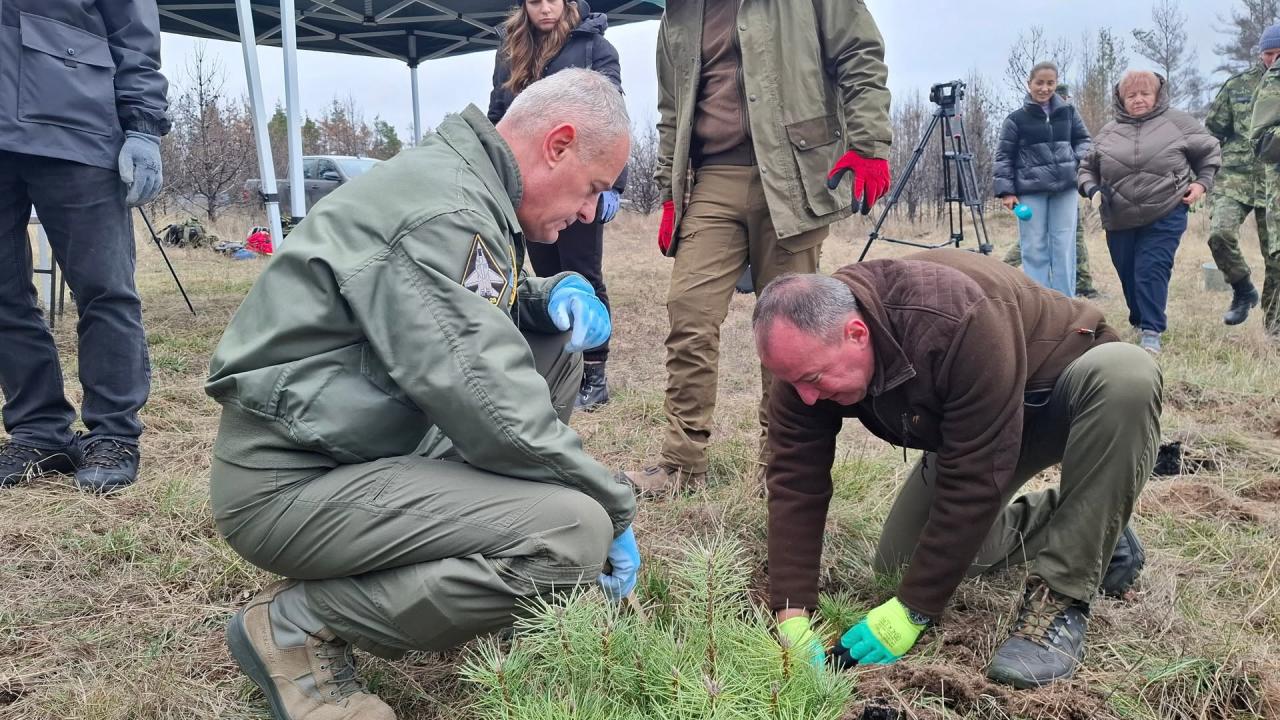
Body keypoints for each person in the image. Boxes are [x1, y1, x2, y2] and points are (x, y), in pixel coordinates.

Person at [206, 70, 639, 720]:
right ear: (558, 144)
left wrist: (548, 297)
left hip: (350, 446)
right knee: (574, 533)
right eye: (593, 190)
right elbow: (496, 411)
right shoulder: (449, 210)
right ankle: (298, 626)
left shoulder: (461, 183)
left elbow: (460, 306)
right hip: (287, 486)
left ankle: (481, 571)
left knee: (550, 345)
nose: (586, 213)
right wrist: (615, 509)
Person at [754, 249, 1160, 689]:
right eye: (794, 383)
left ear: (856, 333)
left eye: (813, 380)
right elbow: (795, 480)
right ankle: (1091, 519)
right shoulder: (805, 358)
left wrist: (914, 610)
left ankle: (1059, 601)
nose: (806, 397)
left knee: (1128, 374)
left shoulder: (952, 319)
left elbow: (972, 480)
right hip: (971, 426)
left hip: (1058, 397)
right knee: (902, 563)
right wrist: (792, 612)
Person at [625, 0, 893, 495]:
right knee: (689, 313)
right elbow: (671, 110)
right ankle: (682, 464)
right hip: (712, 178)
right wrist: (669, 192)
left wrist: (869, 145)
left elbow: (860, 54)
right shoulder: (677, 13)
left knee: (793, 323)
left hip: (792, 175)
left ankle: (782, 462)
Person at [0, 0, 169, 492]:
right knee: (3, 295)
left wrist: (142, 123)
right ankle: (38, 430)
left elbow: (133, 28)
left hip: (76, 122)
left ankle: (114, 433)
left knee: (104, 288)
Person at [488, 0, 626, 411]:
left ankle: (595, 373)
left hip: (577, 179)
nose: (544, 8)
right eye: (534, 1)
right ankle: (559, 366)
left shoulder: (594, 47)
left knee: (582, 273)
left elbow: (612, 118)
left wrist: (607, 188)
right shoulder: (510, 50)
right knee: (545, 274)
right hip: (529, 185)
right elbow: (499, 112)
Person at [1078, 71, 1221, 355]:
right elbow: (1086, 169)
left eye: (1145, 94)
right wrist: (1092, 189)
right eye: (1131, 95)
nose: (1138, 100)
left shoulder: (1179, 123)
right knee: (1128, 272)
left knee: (1150, 269)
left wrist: (1201, 183)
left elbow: (1209, 153)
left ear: (1157, 95)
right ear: (1121, 99)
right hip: (1118, 216)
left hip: (1166, 210)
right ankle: (1139, 319)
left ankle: (1152, 330)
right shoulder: (1108, 132)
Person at [994, 62, 1092, 297]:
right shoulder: (1015, 119)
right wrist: (1007, 192)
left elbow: (1084, 140)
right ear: (1029, 84)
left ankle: (1064, 302)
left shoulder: (1068, 112)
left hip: (1065, 189)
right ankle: (1037, 301)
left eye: (1050, 83)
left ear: (1056, 84)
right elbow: (1003, 156)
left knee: (1064, 245)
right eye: (1040, 83)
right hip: (1031, 190)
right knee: (1034, 246)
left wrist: (1075, 159)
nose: (1045, 88)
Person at [1206, 26, 1279, 330]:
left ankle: (1274, 327)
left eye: (1279, 55)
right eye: (1268, 54)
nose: (1273, 60)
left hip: (1272, 182)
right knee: (1219, 234)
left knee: (1275, 259)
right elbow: (1213, 130)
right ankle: (1242, 288)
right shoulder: (1238, 85)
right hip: (1235, 178)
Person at [1246, 24, 1280, 341]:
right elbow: (1262, 141)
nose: (1273, 60)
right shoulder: (1272, 81)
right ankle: (1274, 329)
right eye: (1269, 54)